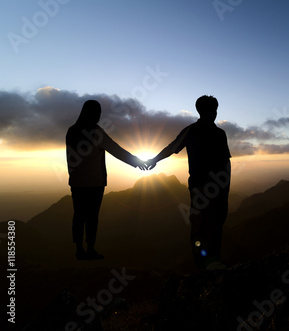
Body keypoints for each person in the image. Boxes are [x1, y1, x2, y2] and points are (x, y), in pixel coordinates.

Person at [147, 95, 231, 270]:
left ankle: (212, 263)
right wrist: (154, 159)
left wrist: (225, 190)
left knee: (212, 224)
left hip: (214, 188)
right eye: (210, 110)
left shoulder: (217, 133)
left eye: (215, 110)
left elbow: (225, 163)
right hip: (202, 188)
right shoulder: (194, 131)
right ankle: (203, 263)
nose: (213, 114)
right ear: (201, 111)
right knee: (203, 225)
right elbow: (172, 147)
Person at [66, 100, 146, 260]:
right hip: (95, 183)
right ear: (91, 113)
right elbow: (116, 150)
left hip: (77, 182)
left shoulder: (72, 131)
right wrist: (137, 162)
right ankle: (90, 249)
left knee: (79, 215)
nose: (99, 115)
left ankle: (79, 249)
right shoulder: (96, 132)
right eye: (97, 112)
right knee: (92, 217)